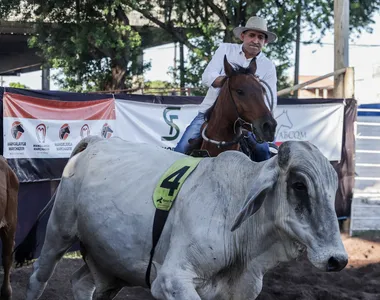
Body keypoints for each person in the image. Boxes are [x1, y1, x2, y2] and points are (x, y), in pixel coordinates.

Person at [173, 16, 278, 161]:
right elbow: (207, 76)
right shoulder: (225, 50)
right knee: (180, 150)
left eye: (260, 37)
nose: (256, 40)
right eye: (252, 35)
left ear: (265, 41)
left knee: (263, 153)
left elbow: (271, 99)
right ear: (243, 36)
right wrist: (232, 81)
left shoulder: (268, 66)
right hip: (210, 114)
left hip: (248, 121)